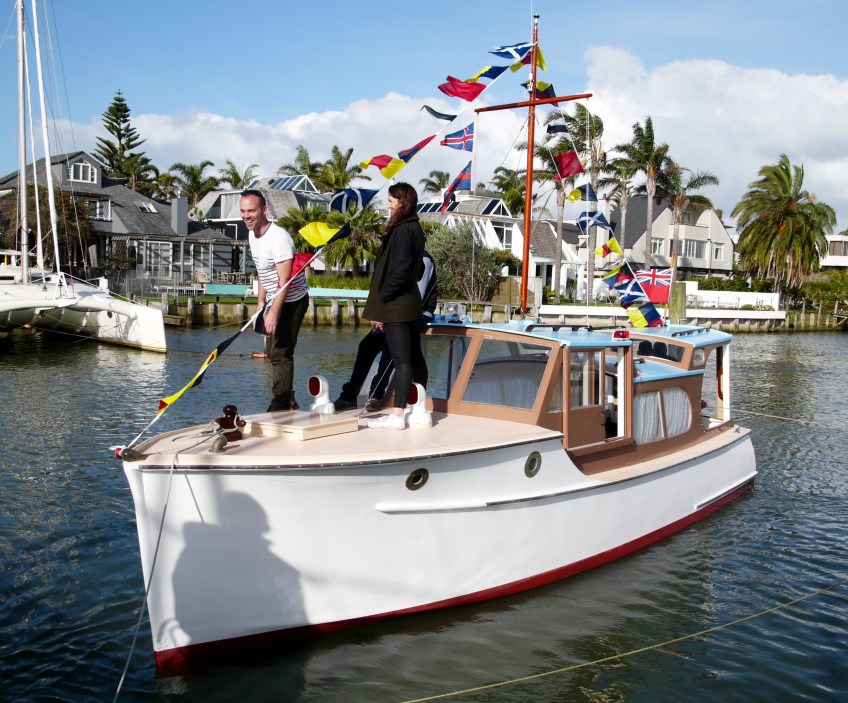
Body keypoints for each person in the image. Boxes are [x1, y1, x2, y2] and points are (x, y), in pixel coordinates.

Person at [334, 250, 436, 413]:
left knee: (390, 346)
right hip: (395, 314)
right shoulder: (399, 258)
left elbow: (417, 296)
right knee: (366, 346)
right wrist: (382, 316)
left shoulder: (423, 260)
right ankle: (349, 395)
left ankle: (376, 395)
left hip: (418, 313)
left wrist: (387, 318)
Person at [361, 182, 427, 430]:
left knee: (402, 361)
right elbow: (417, 270)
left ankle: (398, 415)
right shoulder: (415, 228)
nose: (388, 206)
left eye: (391, 201)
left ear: (402, 202)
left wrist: (383, 298)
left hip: (397, 306)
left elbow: (400, 271)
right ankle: (418, 410)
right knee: (414, 358)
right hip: (408, 304)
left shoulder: (402, 231)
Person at [241, 189, 309, 411]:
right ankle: (288, 399)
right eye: (243, 211)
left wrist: (274, 312)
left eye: (251, 211)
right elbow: (262, 271)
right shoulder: (252, 235)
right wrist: (261, 303)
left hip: (292, 300)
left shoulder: (279, 238)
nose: (246, 216)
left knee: (281, 351)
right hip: (274, 298)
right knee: (272, 352)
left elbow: (284, 280)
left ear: (264, 210)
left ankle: (282, 402)